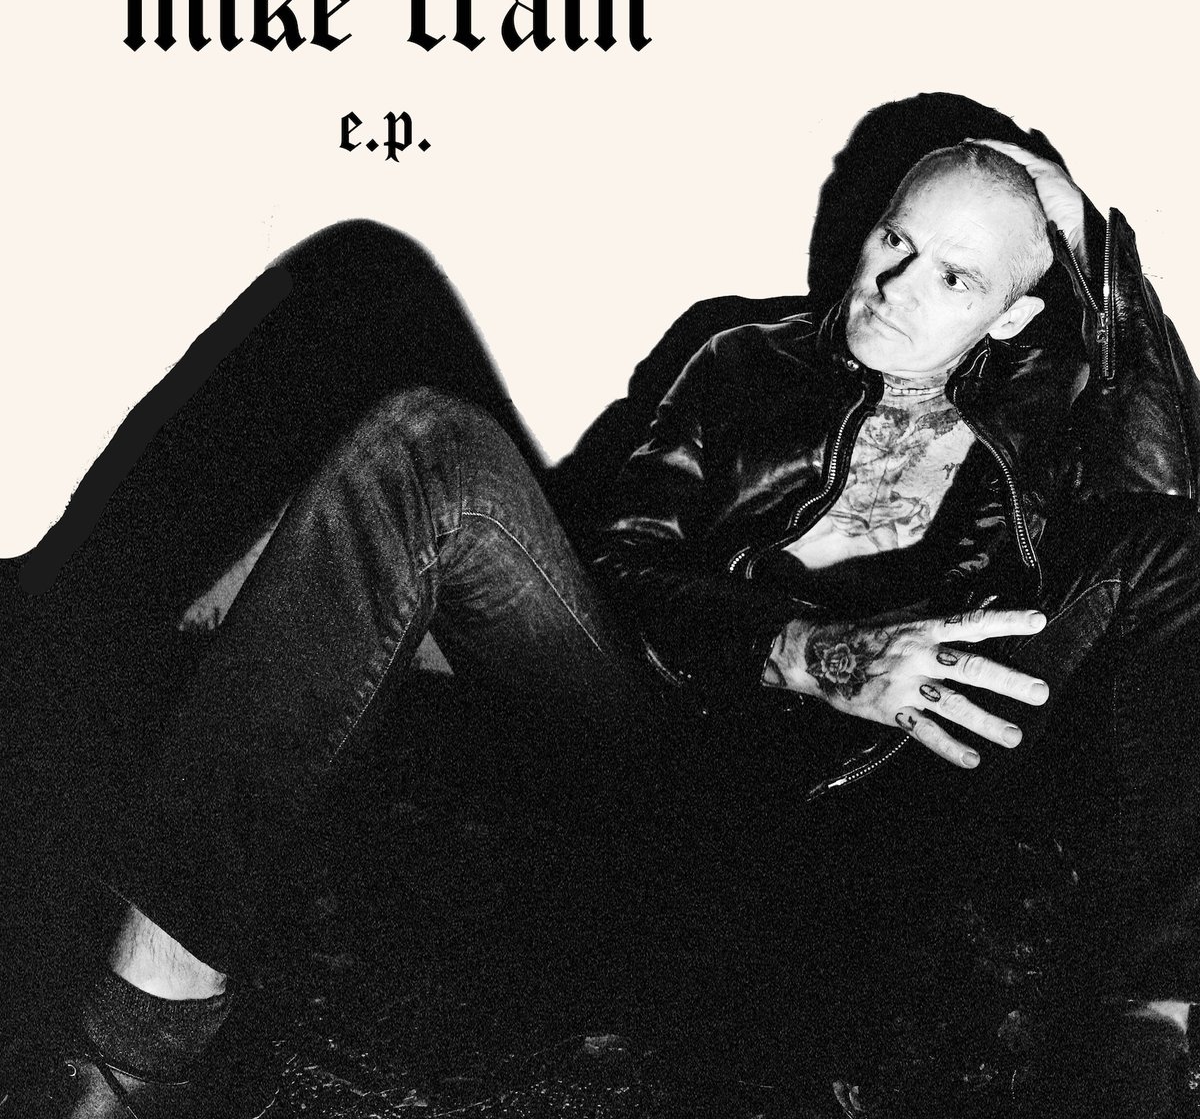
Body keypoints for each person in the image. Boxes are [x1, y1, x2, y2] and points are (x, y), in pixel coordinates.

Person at [2, 131, 1198, 1119]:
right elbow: (622, 567)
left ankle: (1158, 1030)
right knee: (402, 375)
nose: (893, 287)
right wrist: (803, 652)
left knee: (1185, 551)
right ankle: (139, 1038)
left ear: (1013, 316)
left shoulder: (1042, 441)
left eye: (954, 278)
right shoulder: (742, 360)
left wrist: (1080, 227)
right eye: (897, 240)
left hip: (841, 807)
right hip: (646, 729)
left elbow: (1165, 487)